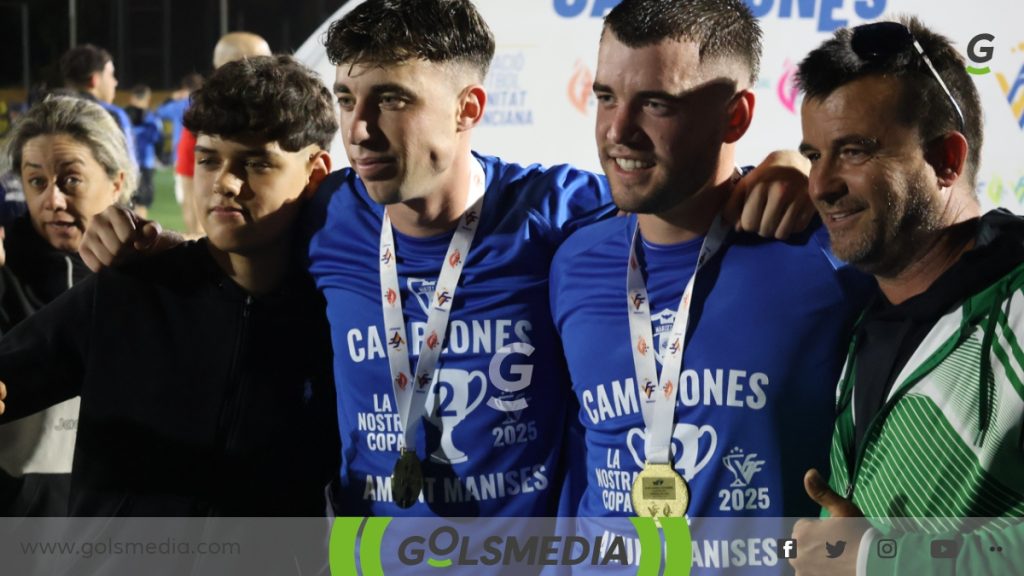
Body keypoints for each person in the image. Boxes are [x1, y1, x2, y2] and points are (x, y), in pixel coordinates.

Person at [80, 0, 814, 518]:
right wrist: (149, 241)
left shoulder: (560, 216)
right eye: (346, 98)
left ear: (468, 109)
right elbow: (232, 244)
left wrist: (780, 168)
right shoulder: (326, 217)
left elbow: (676, 198)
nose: (358, 129)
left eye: (391, 99)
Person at [549, 0, 870, 535]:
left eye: (655, 104)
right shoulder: (570, 261)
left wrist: (798, 168)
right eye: (606, 97)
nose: (618, 131)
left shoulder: (826, 256)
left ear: (736, 116)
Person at [0, 55, 339, 516]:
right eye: (208, 159)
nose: (224, 183)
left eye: (256, 163)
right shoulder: (128, 290)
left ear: (315, 173)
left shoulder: (339, 317)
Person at [790, 16, 1024, 575]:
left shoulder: (1016, 306)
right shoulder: (863, 310)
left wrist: (875, 560)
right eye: (813, 155)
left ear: (947, 159)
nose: (820, 185)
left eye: (854, 151)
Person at [0, 96, 137, 516]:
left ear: (116, 181)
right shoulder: (5, 273)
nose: (53, 200)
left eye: (70, 180)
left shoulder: (153, 278)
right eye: (36, 181)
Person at [175, 32, 272, 236]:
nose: (272, 71)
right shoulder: (202, 123)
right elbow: (192, 189)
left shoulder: (284, 115)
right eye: (262, 63)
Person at [59, 44, 137, 167]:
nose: (115, 82)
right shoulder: (111, 115)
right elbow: (128, 171)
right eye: (111, 75)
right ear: (94, 80)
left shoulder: (46, 111)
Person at [125, 84, 163, 218]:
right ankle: (139, 236)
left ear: (132, 98)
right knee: (142, 203)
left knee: (128, 201)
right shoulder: (152, 118)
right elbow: (158, 140)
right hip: (145, 165)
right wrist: (161, 157)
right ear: (147, 99)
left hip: (126, 164)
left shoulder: (122, 115)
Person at [155, 73, 202, 166]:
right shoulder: (206, 104)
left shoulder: (179, 106)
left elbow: (159, 112)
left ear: (185, 88)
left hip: (182, 150)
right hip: (202, 149)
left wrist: (171, 98)